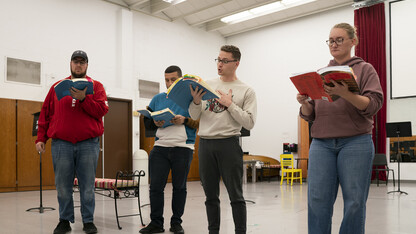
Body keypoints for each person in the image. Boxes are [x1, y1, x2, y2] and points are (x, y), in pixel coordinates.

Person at [296, 23, 383, 234]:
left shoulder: (365, 69)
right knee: (317, 200)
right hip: (321, 143)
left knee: (354, 202)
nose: (334, 44)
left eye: (339, 40)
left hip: (356, 142)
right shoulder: (320, 73)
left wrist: (346, 94)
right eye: (331, 41)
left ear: (353, 41)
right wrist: (305, 102)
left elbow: (373, 105)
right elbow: (311, 115)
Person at [35, 50, 109, 234]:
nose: (78, 65)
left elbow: (101, 111)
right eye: (75, 62)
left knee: (87, 185)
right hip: (61, 144)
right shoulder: (57, 86)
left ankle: (88, 221)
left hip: (88, 143)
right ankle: (64, 220)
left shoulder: (96, 86)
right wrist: (41, 138)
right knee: (62, 185)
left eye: (82, 62)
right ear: (70, 64)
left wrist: (84, 99)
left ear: (87, 65)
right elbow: (45, 114)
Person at [189, 45, 257, 234]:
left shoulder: (246, 90)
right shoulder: (207, 85)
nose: (219, 64)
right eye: (218, 60)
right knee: (210, 196)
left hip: (229, 144)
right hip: (205, 144)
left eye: (224, 61)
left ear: (236, 63)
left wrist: (230, 105)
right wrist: (195, 101)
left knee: (236, 196)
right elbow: (195, 115)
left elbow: (249, 122)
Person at [139, 65, 199, 234]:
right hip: (160, 147)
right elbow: (147, 122)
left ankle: (176, 223)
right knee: (156, 187)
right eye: (166, 80)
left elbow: (198, 123)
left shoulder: (191, 98)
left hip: (183, 147)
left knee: (179, 187)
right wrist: (154, 122)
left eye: (173, 79)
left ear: (180, 80)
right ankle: (156, 223)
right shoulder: (158, 98)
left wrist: (185, 120)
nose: (169, 82)